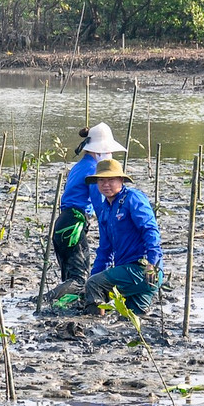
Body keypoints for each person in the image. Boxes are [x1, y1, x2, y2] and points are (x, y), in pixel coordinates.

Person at [49, 123, 127, 299]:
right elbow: (98, 204)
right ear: (99, 151)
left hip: (65, 221)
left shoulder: (80, 165)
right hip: (74, 224)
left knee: (70, 275)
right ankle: (43, 300)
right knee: (79, 279)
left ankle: (62, 305)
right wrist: (108, 226)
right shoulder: (93, 170)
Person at [81, 158, 164, 315]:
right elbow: (105, 251)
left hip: (143, 269)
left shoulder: (132, 198)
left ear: (121, 180)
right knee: (131, 318)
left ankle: (92, 324)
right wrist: (93, 278)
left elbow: (150, 230)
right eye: (101, 180)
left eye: (110, 179)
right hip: (126, 271)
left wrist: (152, 264)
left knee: (95, 285)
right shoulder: (105, 209)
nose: (106, 184)